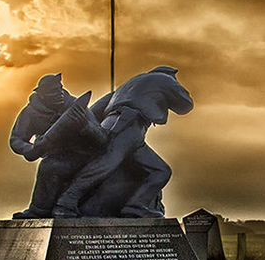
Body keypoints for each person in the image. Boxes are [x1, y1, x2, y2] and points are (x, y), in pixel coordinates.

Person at [53, 66, 193, 218]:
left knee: (160, 171)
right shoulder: (165, 79)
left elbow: (95, 110)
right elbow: (185, 105)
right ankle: (66, 202)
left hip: (127, 127)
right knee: (106, 164)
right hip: (127, 124)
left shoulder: (127, 86)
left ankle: (137, 206)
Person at [9, 74, 98, 218]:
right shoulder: (31, 112)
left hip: (83, 155)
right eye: (52, 93)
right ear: (42, 95)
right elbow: (16, 139)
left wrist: (85, 126)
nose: (58, 95)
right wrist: (30, 148)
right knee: (49, 166)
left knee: (50, 166)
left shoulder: (75, 106)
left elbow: (100, 138)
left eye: (59, 90)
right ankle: (39, 210)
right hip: (54, 155)